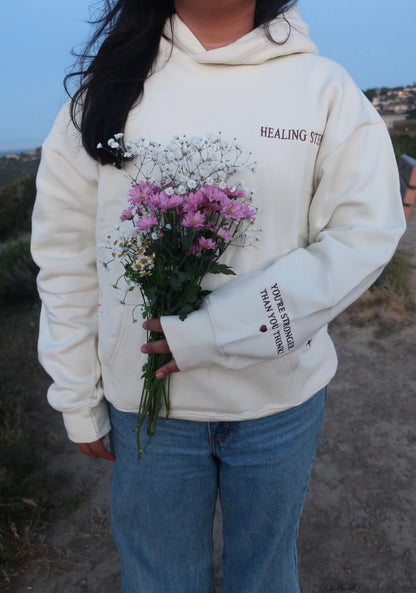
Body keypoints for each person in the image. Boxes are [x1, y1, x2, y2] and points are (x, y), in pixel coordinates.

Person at [31, 1, 406, 591]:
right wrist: (75, 392)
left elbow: (364, 236)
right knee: (159, 580)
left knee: (265, 576)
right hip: (148, 411)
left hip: (278, 405)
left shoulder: (323, 89)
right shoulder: (109, 93)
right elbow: (66, 255)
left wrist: (210, 331)